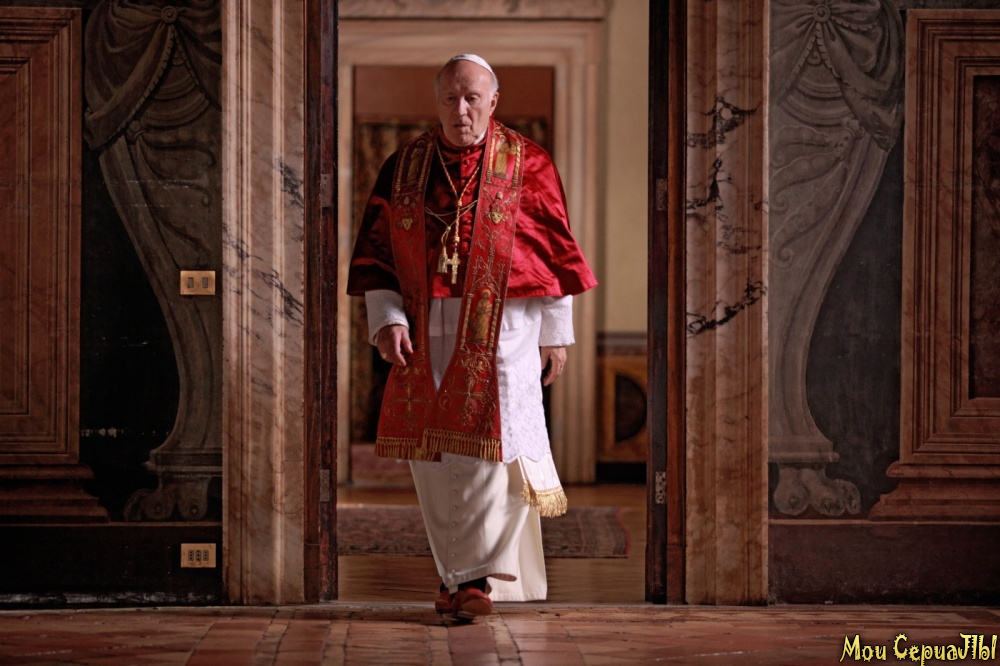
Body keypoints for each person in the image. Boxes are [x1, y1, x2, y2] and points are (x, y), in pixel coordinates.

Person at [347, 54, 597, 620]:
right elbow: (377, 257)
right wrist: (387, 319)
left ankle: (474, 581)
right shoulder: (404, 166)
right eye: (450, 98)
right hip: (426, 325)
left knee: (496, 451)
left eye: (472, 98)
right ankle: (456, 578)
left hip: (508, 327)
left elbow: (554, 251)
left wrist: (555, 333)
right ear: (437, 101)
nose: (461, 110)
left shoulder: (528, 163)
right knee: (436, 458)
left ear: (493, 100)